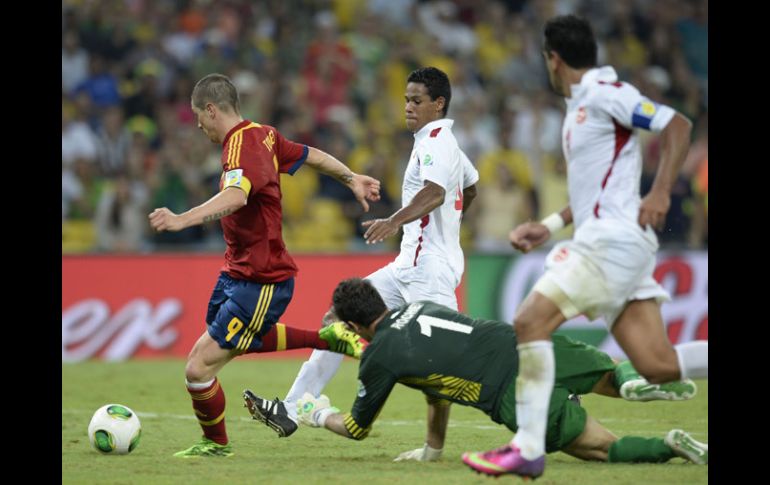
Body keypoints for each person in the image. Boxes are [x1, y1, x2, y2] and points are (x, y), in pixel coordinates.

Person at [463, 15, 709, 478]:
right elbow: (594, 191)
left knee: (529, 320)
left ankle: (529, 448)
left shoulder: (604, 94)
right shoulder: (583, 107)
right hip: (614, 240)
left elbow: (677, 123)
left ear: (553, 60)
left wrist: (659, 192)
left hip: (611, 243)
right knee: (657, 365)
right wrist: (550, 224)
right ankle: (528, 448)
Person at [245, 67, 479, 457]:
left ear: (438, 104)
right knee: (337, 317)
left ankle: (544, 386)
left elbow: (436, 193)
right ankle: (289, 408)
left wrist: (395, 221)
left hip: (429, 272)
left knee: (446, 365)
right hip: (409, 265)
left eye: (416, 101)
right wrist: (446, 229)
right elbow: (469, 187)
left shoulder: (437, 143)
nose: (407, 107)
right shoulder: (441, 142)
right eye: (406, 99)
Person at [148, 73, 381, 458]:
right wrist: (350, 176)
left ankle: (216, 444)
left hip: (261, 277)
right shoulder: (265, 135)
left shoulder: (241, 145)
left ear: (211, 109)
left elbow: (237, 197)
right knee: (234, 343)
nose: (199, 126)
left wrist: (181, 220)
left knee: (198, 368)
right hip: (238, 272)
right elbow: (311, 154)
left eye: (198, 117)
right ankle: (330, 338)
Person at [245, 278, 707, 468]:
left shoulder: (379, 356)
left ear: (352, 324)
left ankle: (670, 445)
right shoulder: (419, 306)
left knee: (601, 450)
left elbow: (356, 428)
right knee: (611, 374)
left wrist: (312, 411)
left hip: (513, 393)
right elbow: (434, 390)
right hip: (528, 344)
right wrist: (433, 448)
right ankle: (633, 382)